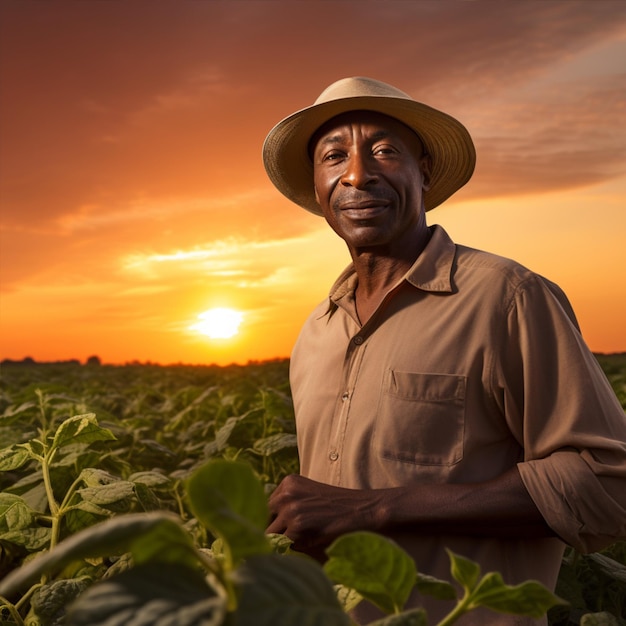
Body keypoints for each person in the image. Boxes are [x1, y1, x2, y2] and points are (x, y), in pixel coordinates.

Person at [263, 77, 626, 625]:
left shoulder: (507, 297)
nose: (357, 174)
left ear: (424, 172)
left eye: (384, 150)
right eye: (334, 156)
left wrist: (377, 507)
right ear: (318, 187)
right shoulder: (316, 331)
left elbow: (607, 483)